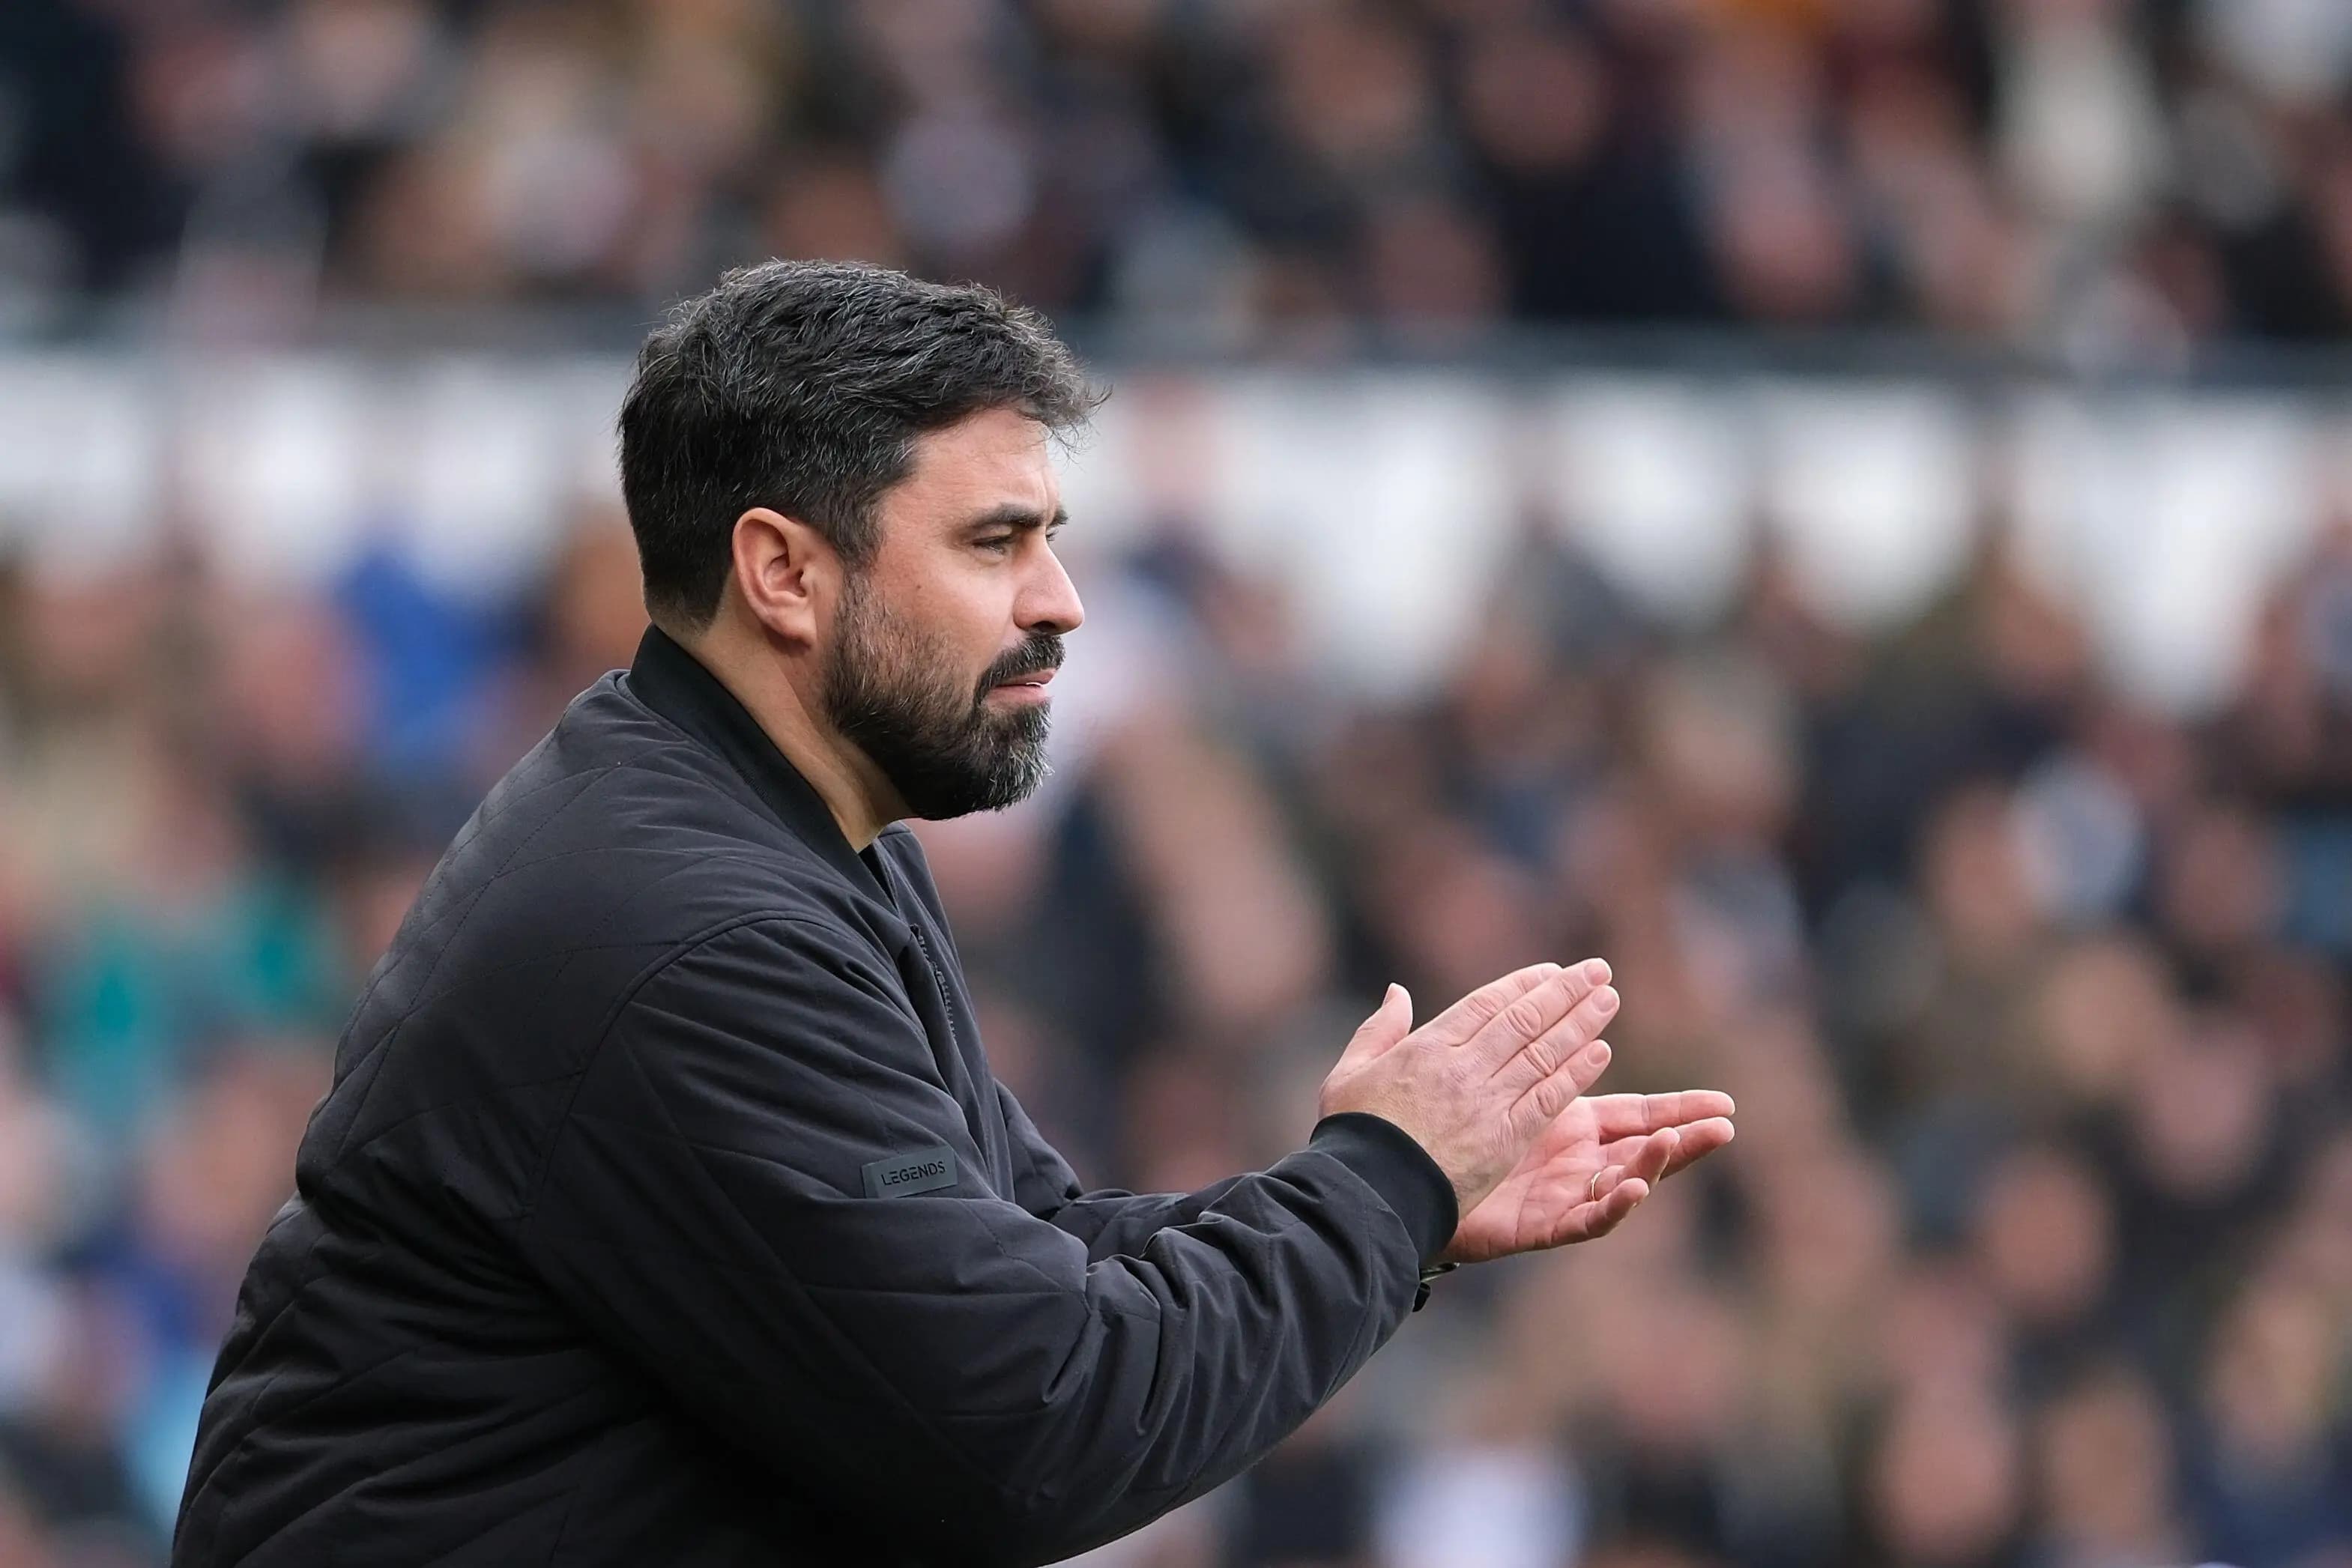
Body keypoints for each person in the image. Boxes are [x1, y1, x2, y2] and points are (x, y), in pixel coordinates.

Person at [171, 260, 1735, 1567]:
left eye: (1049, 537)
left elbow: (1031, 1262)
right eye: (996, 541)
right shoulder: (691, 930)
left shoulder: (771, 830)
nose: (1059, 599)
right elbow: (1039, 1424)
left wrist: (1400, 1211)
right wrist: (1381, 1184)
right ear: (783, 572)